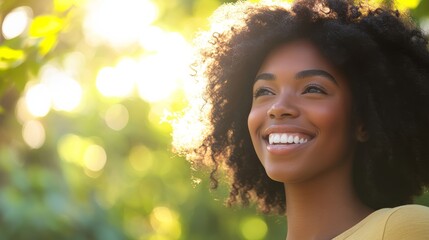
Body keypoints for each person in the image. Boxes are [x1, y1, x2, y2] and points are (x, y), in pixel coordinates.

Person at [175, 0, 429, 239]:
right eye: (264, 91)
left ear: (363, 121)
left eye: (312, 89)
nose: (278, 108)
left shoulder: (400, 229)